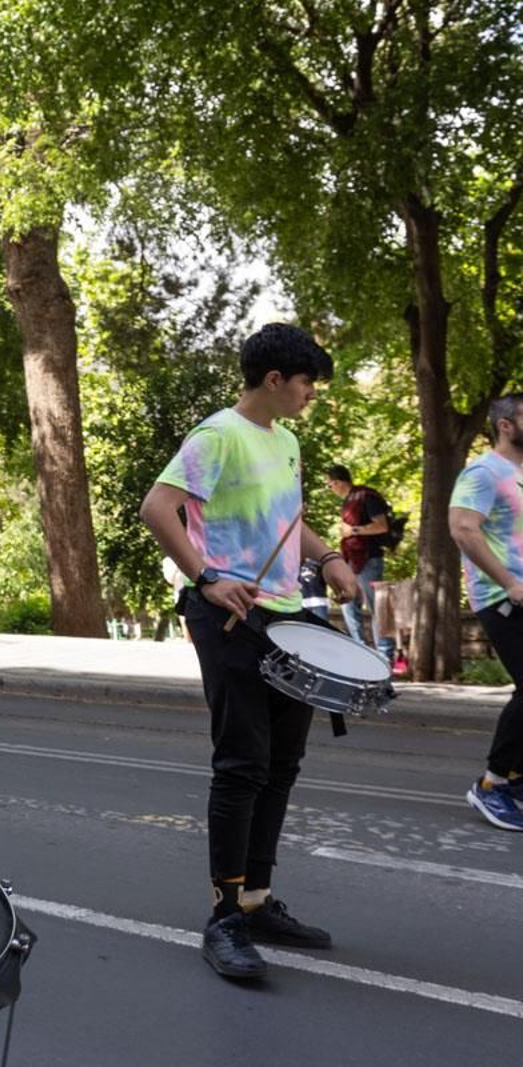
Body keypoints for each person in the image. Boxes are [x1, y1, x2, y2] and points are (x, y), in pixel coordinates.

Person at [140, 323, 357, 982]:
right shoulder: (217, 436)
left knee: (282, 763)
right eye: (307, 383)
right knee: (242, 764)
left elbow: (289, 520)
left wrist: (328, 557)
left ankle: (256, 901)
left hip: (288, 616)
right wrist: (206, 576)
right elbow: (157, 507)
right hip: (230, 617)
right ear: (274, 379)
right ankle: (224, 916)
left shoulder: (285, 440)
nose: (311, 394)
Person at [448, 393, 523, 831]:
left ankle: (514, 780)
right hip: (502, 596)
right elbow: (463, 529)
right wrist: (509, 582)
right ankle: (493, 784)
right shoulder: (483, 472)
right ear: (506, 425)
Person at [324, 465, 393, 657]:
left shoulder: (366, 496)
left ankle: (385, 654)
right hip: (350, 559)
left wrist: (354, 530)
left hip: (369, 558)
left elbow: (382, 526)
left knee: (376, 606)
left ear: (338, 482)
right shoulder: (349, 501)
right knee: (348, 604)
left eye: (330, 485)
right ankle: (359, 650)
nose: (330, 489)